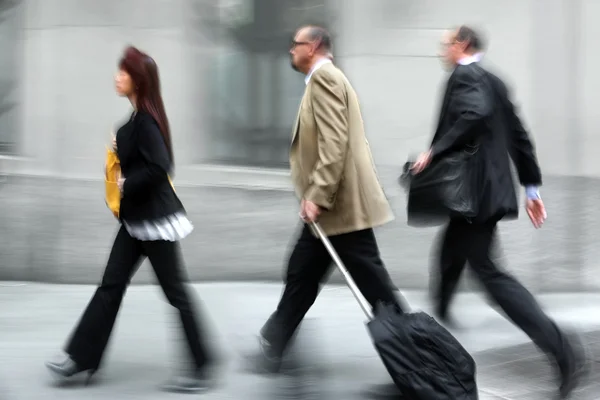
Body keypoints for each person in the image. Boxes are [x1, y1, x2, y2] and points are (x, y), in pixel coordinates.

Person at [373, 26, 586, 399]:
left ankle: (563, 351)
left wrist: (434, 151)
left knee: (489, 273)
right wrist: (531, 187)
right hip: (484, 195)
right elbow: (519, 135)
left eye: (446, 45)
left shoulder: (466, 75)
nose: (442, 51)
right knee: (451, 250)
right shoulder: (495, 80)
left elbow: (474, 112)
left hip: (474, 197)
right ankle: (441, 310)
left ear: (462, 45)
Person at [45, 46, 216, 394]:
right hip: (136, 221)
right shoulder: (138, 120)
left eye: (123, 72)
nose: (116, 77)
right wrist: (120, 147)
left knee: (175, 293)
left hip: (155, 222)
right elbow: (142, 157)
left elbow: (160, 166)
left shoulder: (146, 122)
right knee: (111, 286)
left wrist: (126, 182)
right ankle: (81, 358)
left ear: (137, 80)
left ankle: (201, 365)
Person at [246, 25, 405, 373]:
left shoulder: (325, 79)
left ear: (314, 46)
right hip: (333, 209)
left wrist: (317, 195)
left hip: (338, 207)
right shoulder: (324, 80)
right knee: (302, 271)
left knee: (374, 287)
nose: (291, 50)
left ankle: (416, 352)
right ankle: (274, 342)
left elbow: (334, 144)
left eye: (296, 44)